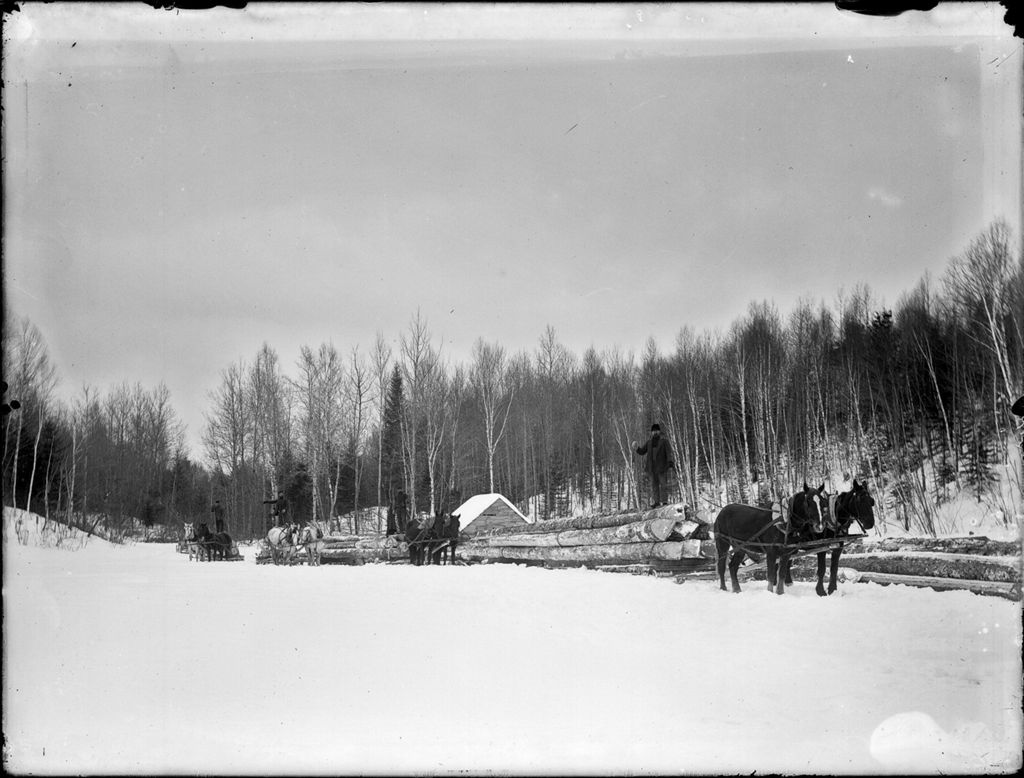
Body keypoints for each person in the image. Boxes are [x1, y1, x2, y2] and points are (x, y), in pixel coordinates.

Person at [633, 423, 675, 509]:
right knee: (654, 486)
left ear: (659, 431)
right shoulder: (649, 442)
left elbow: (669, 452)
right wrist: (636, 448)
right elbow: (642, 451)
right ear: (651, 432)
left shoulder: (664, 441)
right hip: (651, 468)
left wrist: (670, 461)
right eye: (653, 431)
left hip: (662, 467)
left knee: (663, 485)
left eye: (656, 430)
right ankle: (656, 502)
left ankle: (664, 502)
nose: (655, 432)